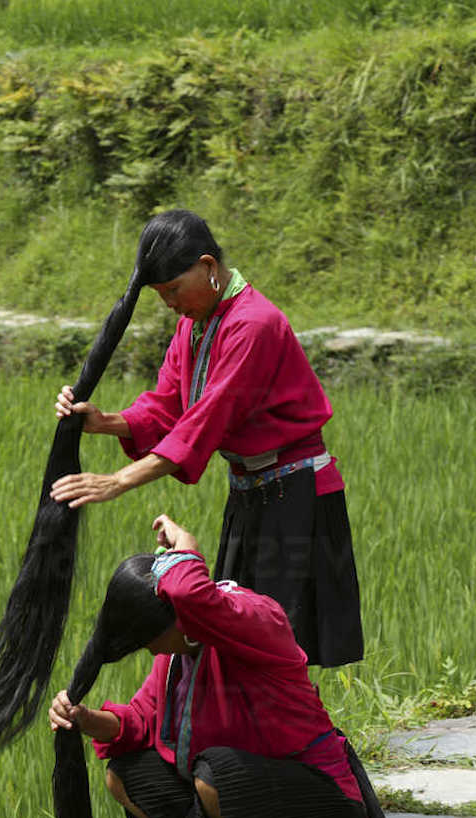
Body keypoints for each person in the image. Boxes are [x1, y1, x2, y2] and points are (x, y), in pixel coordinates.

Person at [49, 513, 424, 818]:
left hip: (321, 812)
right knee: (125, 775)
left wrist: (186, 550)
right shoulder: (176, 657)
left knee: (215, 775)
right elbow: (138, 721)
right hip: (257, 807)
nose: (148, 647)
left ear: (176, 617)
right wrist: (83, 719)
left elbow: (194, 595)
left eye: (149, 636)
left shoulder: (254, 620)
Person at [51, 208, 362, 668]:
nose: (170, 304)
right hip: (251, 493)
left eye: (174, 289)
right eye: (161, 295)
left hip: (295, 495)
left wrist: (117, 481)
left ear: (209, 268)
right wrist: (107, 421)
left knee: (277, 643)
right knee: (239, 636)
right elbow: (168, 403)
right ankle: (261, 737)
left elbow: (205, 421)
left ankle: (295, 739)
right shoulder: (195, 326)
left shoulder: (253, 323)